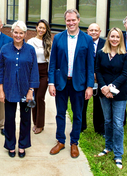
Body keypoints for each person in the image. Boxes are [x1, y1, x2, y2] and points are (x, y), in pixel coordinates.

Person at [48, 9, 94, 158]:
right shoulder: (58, 38)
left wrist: (89, 86)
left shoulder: (87, 39)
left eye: (73, 20)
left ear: (78, 20)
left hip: (79, 84)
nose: (71, 23)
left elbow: (90, 65)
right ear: (65, 21)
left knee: (78, 114)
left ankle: (74, 142)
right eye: (68, 20)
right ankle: (60, 141)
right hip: (61, 83)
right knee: (60, 113)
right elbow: (53, 62)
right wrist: (51, 82)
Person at [0, 21, 39, 158]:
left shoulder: (30, 50)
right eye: (16, 32)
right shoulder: (4, 49)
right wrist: (1, 91)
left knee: (25, 119)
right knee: (9, 119)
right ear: (11, 32)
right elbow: (0, 71)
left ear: (25, 34)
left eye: (21, 33)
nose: (18, 35)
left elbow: (34, 71)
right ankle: (10, 145)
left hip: (26, 89)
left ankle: (22, 145)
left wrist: (31, 90)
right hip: (9, 89)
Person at [95, 27, 127, 170]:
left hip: (119, 93)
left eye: (117, 37)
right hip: (104, 92)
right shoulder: (101, 53)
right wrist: (104, 87)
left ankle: (118, 154)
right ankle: (108, 147)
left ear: (121, 39)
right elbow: (98, 70)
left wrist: (112, 87)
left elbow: (125, 73)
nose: (115, 39)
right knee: (108, 120)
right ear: (108, 38)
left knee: (117, 123)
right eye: (112, 36)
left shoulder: (126, 54)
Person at [27, 19, 52, 135]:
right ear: (36, 27)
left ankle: (40, 124)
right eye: (40, 27)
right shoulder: (30, 42)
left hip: (44, 72)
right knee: (33, 97)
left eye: (44, 28)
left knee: (40, 97)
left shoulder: (48, 43)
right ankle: (35, 122)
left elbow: (51, 61)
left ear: (46, 30)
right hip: (33, 71)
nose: (41, 29)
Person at [82, 23, 105, 135]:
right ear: (87, 31)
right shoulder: (82, 43)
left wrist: (97, 74)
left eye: (96, 30)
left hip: (100, 79)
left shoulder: (105, 44)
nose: (94, 32)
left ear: (100, 32)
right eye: (91, 30)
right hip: (84, 78)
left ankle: (100, 128)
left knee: (99, 105)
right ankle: (81, 126)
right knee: (82, 103)